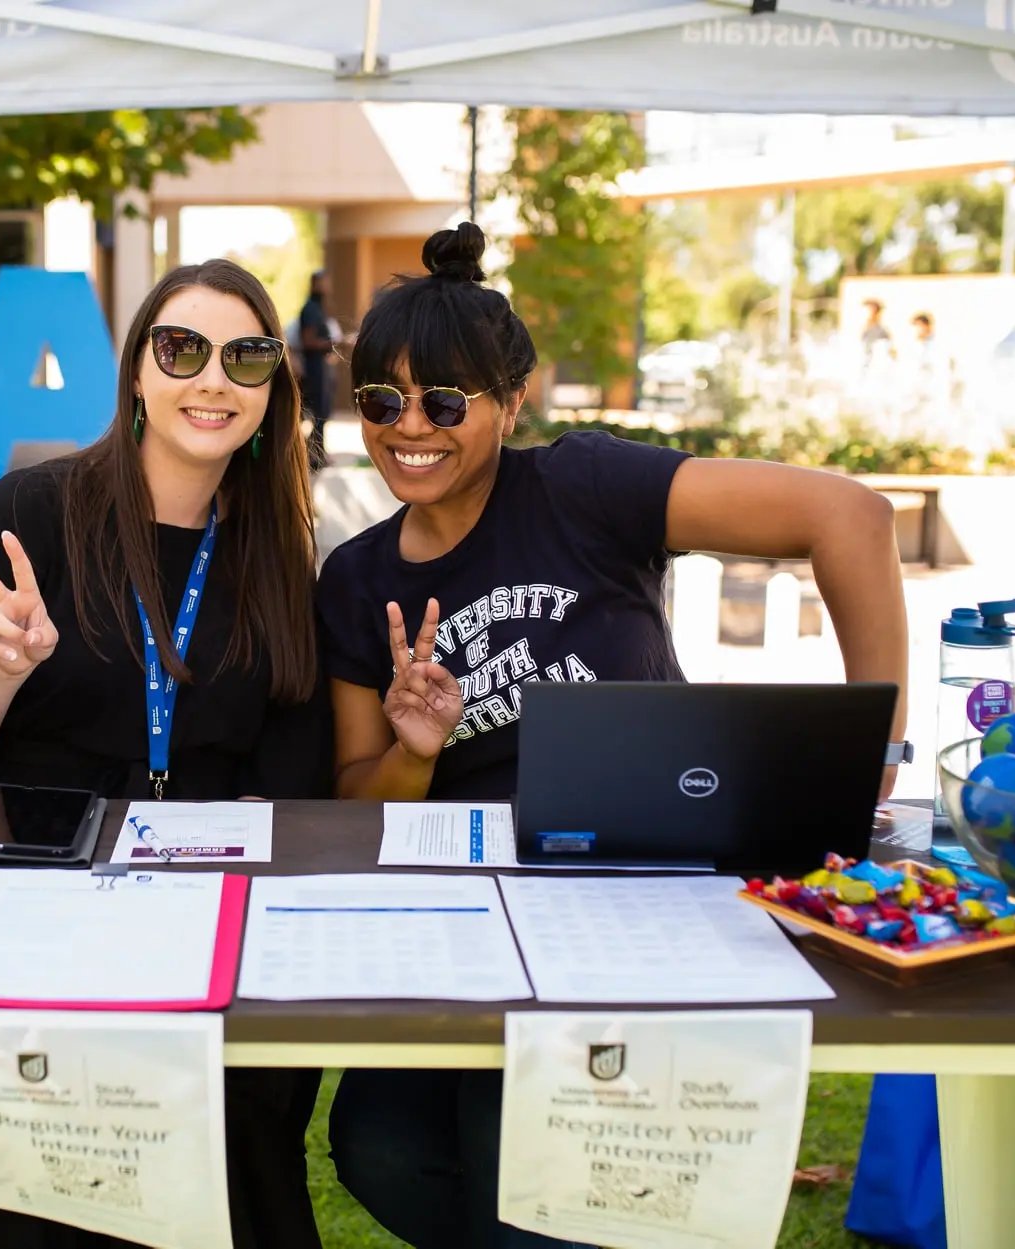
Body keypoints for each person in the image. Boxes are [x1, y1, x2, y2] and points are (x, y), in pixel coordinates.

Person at [316, 223, 909, 1249]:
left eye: (445, 402)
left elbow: (848, 515)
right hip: (466, 923)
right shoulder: (357, 578)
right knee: (378, 1140)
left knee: (522, 1170)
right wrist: (415, 749)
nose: (409, 427)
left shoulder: (583, 487)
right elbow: (357, 800)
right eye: (381, 402)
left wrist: (881, 748)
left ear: (511, 403)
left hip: (644, 898)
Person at [0, 257, 331, 1249]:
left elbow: (294, 775)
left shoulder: (278, 551)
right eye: (183, 349)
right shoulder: (28, 514)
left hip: (205, 907)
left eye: (244, 356)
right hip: (25, 898)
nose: (212, 379)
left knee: (232, 1164)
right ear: (136, 373)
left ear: (272, 387)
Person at [297, 270, 340, 471]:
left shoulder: (319, 309)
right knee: (317, 414)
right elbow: (309, 341)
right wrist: (336, 342)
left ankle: (317, 455)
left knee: (322, 413)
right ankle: (313, 456)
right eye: (325, 283)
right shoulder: (311, 309)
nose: (328, 287)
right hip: (313, 369)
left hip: (321, 367)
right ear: (316, 284)